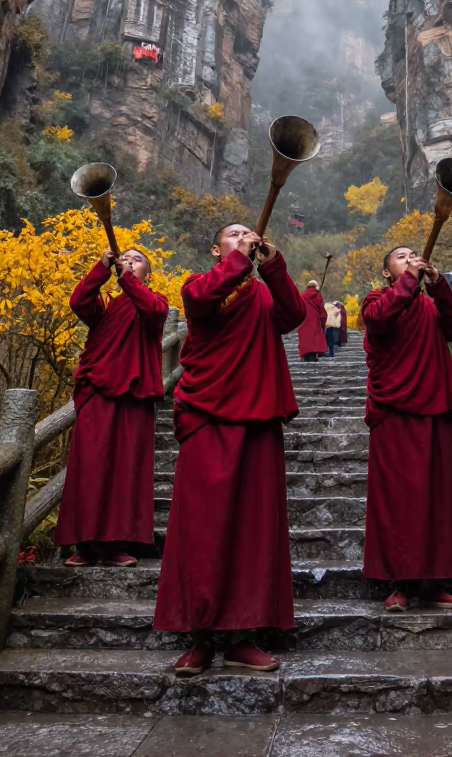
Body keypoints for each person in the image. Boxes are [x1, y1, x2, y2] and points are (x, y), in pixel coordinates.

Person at [153, 224, 305, 676]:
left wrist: (273, 265)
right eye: (232, 234)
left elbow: (293, 315)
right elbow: (202, 303)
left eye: (249, 233)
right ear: (214, 247)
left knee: (254, 528)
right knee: (201, 527)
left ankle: (243, 635)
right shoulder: (198, 285)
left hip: (257, 416)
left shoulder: (261, 293)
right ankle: (199, 637)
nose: (243, 236)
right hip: (207, 416)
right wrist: (238, 260)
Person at [361, 246, 452, 612]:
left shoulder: (429, 304)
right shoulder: (377, 299)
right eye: (400, 257)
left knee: (437, 498)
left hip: (434, 407)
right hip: (394, 412)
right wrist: (410, 282)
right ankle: (398, 582)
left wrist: (439, 284)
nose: (410, 258)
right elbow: (378, 321)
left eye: (414, 254)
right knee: (397, 499)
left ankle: (432, 581)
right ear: (386, 273)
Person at [56, 247, 168, 567]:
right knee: (89, 467)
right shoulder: (104, 307)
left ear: (149, 272)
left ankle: (119, 544)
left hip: (134, 395)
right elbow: (78, 302)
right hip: (98, 393)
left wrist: (127, 280)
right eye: (126, 258)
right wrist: (101, 268)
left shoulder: (155, 300)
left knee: (126, 469)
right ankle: (86, 544)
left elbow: (152, 312)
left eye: (138, 259)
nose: (130, 262)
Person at [298, 278, 327, 362]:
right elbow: (322, 310)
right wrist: (323, 322)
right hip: (314, 319)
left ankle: (305, 355)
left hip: (304, 319)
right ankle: (313, 356)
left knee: (305, 338)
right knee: (314, 339)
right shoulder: (317, 295)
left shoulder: (301, 295)